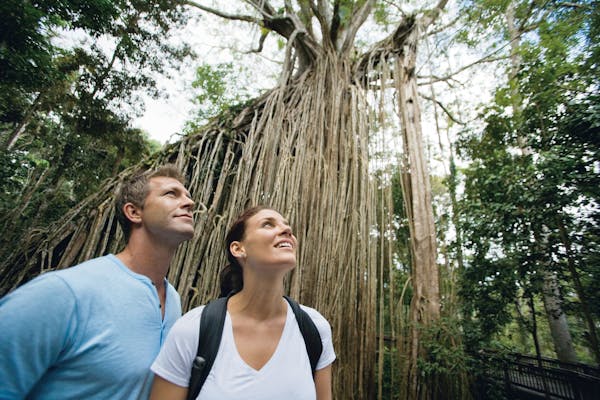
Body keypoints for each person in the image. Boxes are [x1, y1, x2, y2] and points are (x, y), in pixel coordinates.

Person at [0, 164, 195, 399]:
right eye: (171, 194)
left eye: (187, 195)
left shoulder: (173, 299)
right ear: (134, 212)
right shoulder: (63, 293)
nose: (189, 202)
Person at [149, 206, 336, 400]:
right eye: (268, 224)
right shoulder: (193, 329)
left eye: (287, 226)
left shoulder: (314, 329)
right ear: (238, 249)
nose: (286, 230)